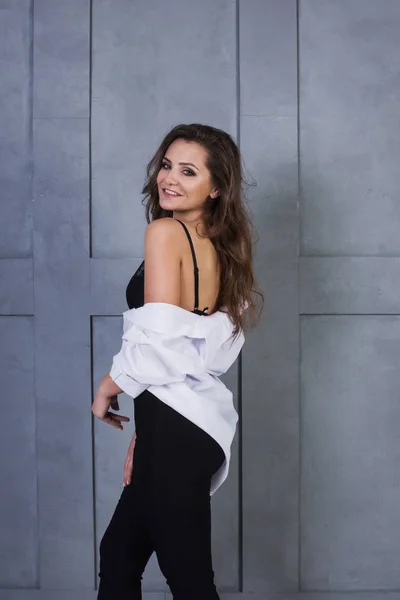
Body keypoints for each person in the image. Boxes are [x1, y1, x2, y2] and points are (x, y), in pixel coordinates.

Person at [92, 123, 264, 599]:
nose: (169, 178)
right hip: (183, 427)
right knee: (120, 555)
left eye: (189, 171)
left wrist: (111, 384)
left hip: (176, 432)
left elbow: (159, 344)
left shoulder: (166, 232)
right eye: (167, 165)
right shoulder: (223, 250)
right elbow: (207, 353)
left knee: (189, 580)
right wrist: (148, 433)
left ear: (217, 187)